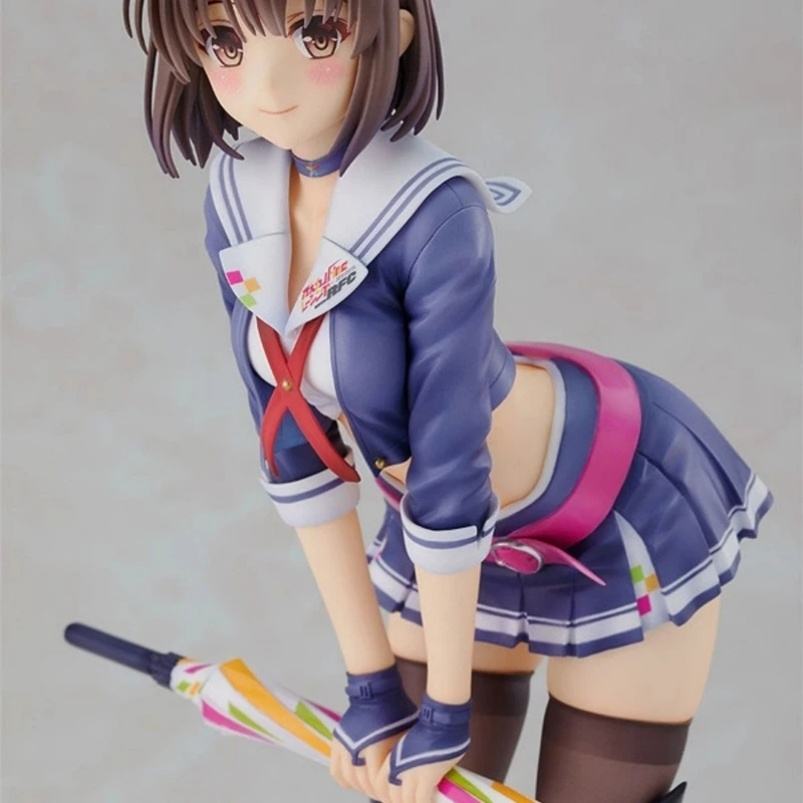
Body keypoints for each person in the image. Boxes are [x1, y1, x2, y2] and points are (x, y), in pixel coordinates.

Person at [123, 2, 775, 801]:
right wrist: (370, 687)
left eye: (314, 32)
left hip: (610, 502)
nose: (266, 81)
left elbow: (450, 467)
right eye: (223, 40)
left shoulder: (434, 208)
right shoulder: (236, 197)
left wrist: (443, 712)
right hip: (443, 538)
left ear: (392, 31)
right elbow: (294, 454)